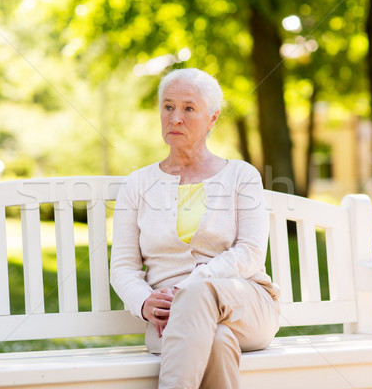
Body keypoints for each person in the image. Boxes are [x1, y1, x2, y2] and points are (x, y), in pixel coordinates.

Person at [110, 68, 280, 389]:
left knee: (200, 292)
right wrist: (144, 302)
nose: (175, 118)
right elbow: (122, 267)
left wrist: (189, 288)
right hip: (170, 323)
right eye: (168, 106)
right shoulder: (138, 184)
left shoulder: (242, 176)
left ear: (212, 118)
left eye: (189, 108)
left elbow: (251, 252)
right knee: (215, 341)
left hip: (245, 305)